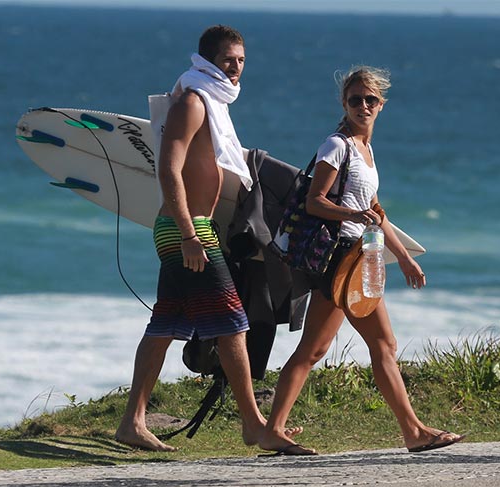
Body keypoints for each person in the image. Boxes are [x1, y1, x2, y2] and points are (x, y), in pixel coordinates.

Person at [259, 66, 465, 456]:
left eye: (370, 100)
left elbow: (375, 210)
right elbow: (314, 201)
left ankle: (275, 429)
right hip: (341, 259)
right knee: (381, 343)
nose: (363, 106)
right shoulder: (337, 146)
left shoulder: (366, 151)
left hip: (358, 259)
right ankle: (413, 431)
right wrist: (352, 216)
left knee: (315, 350)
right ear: (344, 103)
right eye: (356, 100)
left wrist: (403, 257)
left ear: (381, 105)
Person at [116, 25, 301, 452]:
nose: (235, 68)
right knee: (234, 324)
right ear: (206, 61)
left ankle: (132, 421)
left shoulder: (209, 100)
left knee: (164, 326)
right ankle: (254, 424)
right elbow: (168, 169)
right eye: (227, 60)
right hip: (186, 230)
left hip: (191, 229)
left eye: (240, 60)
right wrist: (189, 233)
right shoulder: (194, 102)